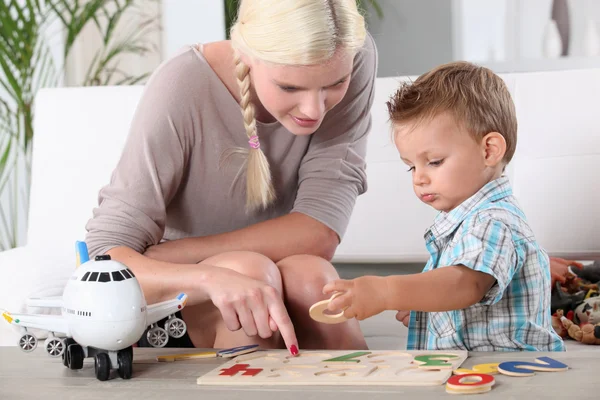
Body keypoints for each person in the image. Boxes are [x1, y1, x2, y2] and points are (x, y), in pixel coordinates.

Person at [85, 0, 378, 355]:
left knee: (313, 281)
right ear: (246, 53)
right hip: (177, 305)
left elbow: (319, 233)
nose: (314, 110)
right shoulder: (182, 84)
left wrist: (181, 252)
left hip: (253, 275)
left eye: (335, 83)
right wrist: (207, 277)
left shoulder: (347, 55)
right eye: (289, 87)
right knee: (249, 272)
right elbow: (103, 261)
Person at [323, 61, 565, 351]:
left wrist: (386, 291)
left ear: (489, 150)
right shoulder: (470, 220)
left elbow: (465, 285)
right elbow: (462, 295)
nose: (420, 178)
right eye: (411, 167)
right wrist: (431, 307)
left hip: (507, 372)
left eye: (434, 161)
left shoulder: (491, 221)